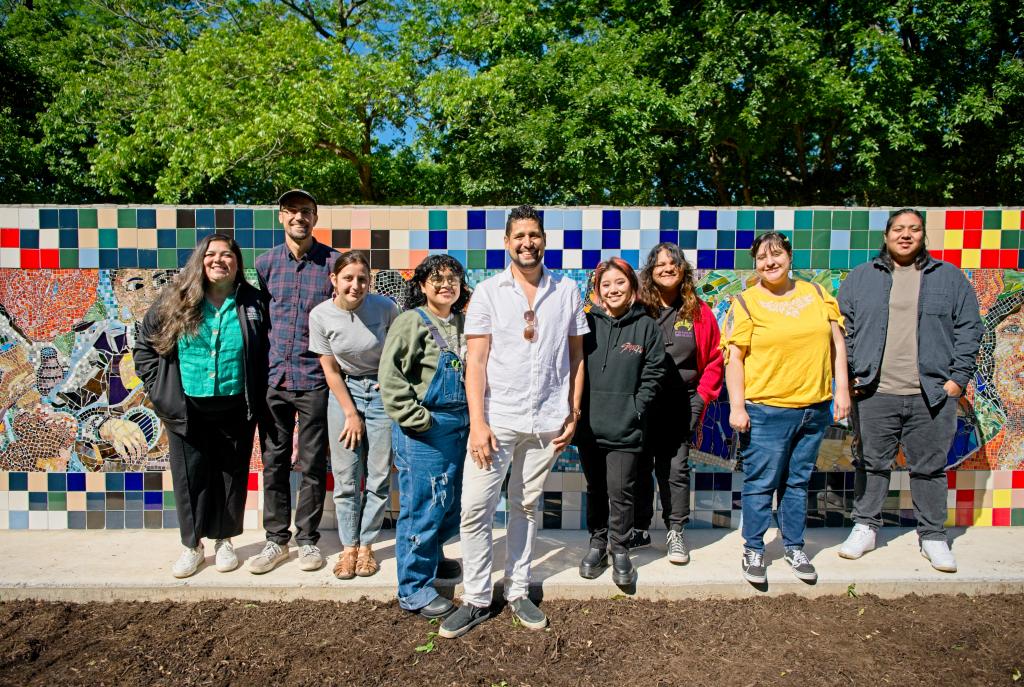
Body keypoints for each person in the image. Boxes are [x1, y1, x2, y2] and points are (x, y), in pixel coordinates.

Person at [439, 205, 588, 639]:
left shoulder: (566, 292)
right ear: (507, 242)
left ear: (544, 239)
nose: (528, 242)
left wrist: (573, 411)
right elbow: (477, 362)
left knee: (525, 506)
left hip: (546, 421)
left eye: (534, 234)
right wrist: (479, 422)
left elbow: (576, 355)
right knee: (475, 509)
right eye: (519, 235)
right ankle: (478, 597)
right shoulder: (487, 292)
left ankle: (519, 589)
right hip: (497, 421)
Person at [837, 209, 982, 572]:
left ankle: (932, 536)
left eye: (913, 229)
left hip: (931, 393)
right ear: (886, 235)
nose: (906, 235)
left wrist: (957, 380)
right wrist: (853, 374)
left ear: (923, 235)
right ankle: (866, 526)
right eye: (898, 229)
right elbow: (844, 329)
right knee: (870, 463)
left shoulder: (949, 278)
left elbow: (970, 329)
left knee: (929, 467)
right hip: (875, 391)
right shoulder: (861, 278)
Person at [133, 234, 269, 578]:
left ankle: (224, 540)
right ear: (200, 259)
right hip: (186, 406)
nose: (219, 260)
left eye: (227, 255)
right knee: (190, 478)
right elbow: (144, 347)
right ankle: (192, 546)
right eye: (211, 254)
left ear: (238, 263)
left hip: (236, 404)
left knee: (231, 474)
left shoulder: (252, 301)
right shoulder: (176, 299)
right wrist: (160, 391)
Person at [722, 231, 850, 584]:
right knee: (760, 483)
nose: (770, 262)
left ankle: (794, 546)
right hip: (766, 411)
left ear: (790, 257)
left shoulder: (818, 295)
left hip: (814, 408)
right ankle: (754, 548)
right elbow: (734, 359)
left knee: (797, 483)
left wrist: (842, 392)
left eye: (776, 254)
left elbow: (837, 344)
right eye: (762, 258)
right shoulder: (746, 302)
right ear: (756, 264)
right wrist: (737, 407)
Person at [249, 189, 340, 575]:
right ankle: (275, 540)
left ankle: (306, 540)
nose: (298, 217)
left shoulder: (332, 263)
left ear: (315, 218)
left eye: (305, 211)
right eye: (291, 211)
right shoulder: (266, 263)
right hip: (274, 378)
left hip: (315, 379)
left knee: (313, 464)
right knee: (273, 461)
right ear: (281, 218)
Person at [380, 254, 472, 619]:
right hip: (425, 430)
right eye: (437, 279)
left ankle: (432, 557)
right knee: (423, 506)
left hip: (461, 426)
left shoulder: (465, 322)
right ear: (421, 285)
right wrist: (416, 419)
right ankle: (414, 588)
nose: (446, 284)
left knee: (449, 502)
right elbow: (390, 377)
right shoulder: (410, 322)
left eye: (453, 278)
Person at [632, 242, 724, 563]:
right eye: (659, 264)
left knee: (675, 469)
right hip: (642, 404)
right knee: (638, 467)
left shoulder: (699, 312)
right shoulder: (639, 308)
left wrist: (699, 401)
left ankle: (675, 531)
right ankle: (638, 529)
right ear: (650, 272)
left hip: (681, 404)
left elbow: (714, 360)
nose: (667, 269)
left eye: (673, 263)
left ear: (682, 269)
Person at [309, 251, 399, 579]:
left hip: (381, 394)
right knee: (347, 477)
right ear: (334, 280)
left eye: (362, 278)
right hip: (345, 393)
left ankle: (367, 548)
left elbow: (396, 356)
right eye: (348, 278)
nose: (355, 285)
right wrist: (350, 413)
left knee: (377, 476)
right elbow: (330, 369)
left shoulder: (386, 309)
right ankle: (348, 547)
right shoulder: (320, 316)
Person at [576, 258, 664, 585]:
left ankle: (621, 547)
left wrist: (636, 409)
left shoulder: (647, 326)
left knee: (621, 491)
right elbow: (573, 366)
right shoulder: (586, 324)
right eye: (606, 285)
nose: (613, 290)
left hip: (626, 427)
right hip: (589, 426)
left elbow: (654, 373)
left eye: (620, 283)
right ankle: (597, 543)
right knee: (596, 488)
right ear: (598, 290)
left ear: (632, 286)